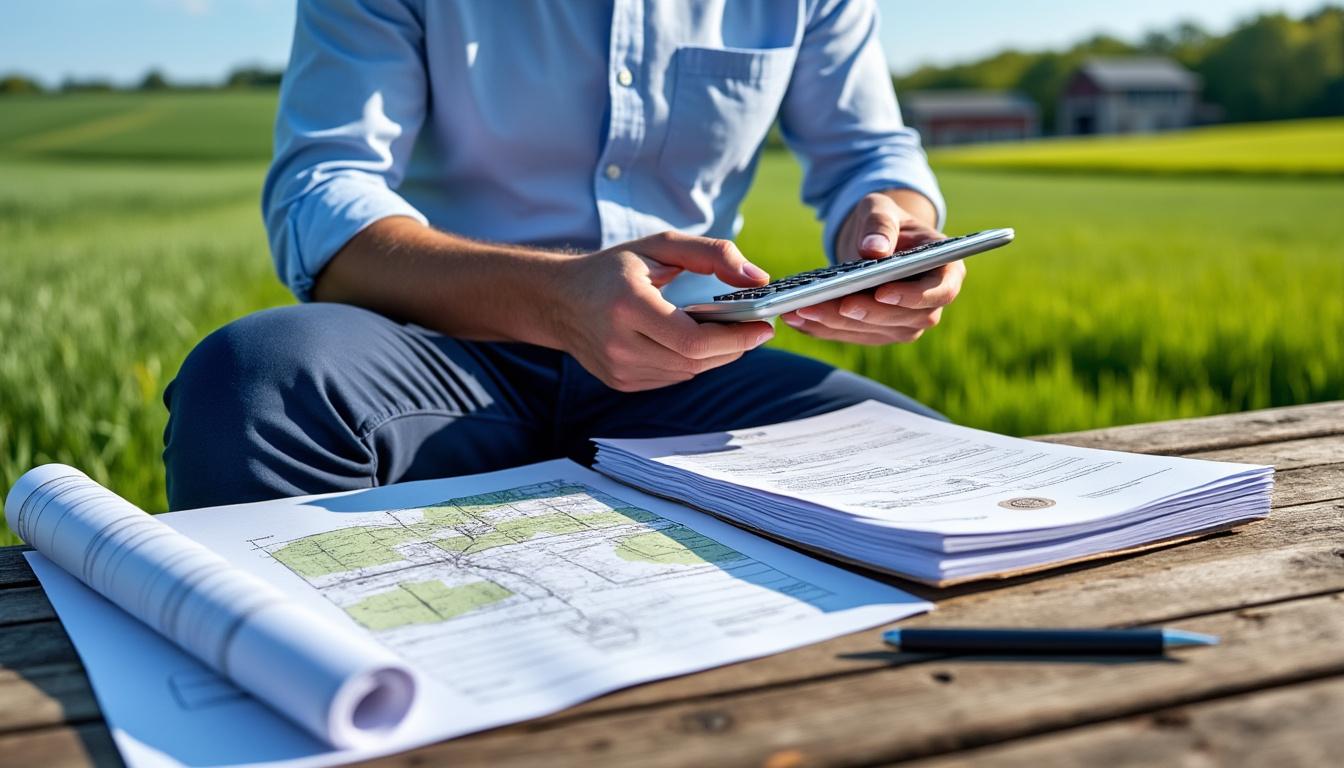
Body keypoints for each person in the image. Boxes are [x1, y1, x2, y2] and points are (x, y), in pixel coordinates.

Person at [162, 0, 964, 510]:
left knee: (939, 476)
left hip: (684, 366)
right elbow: (324, 190)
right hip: (442, 353)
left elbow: (869, 155)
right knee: (260, 378)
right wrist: (551, 297)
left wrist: (894, 227)